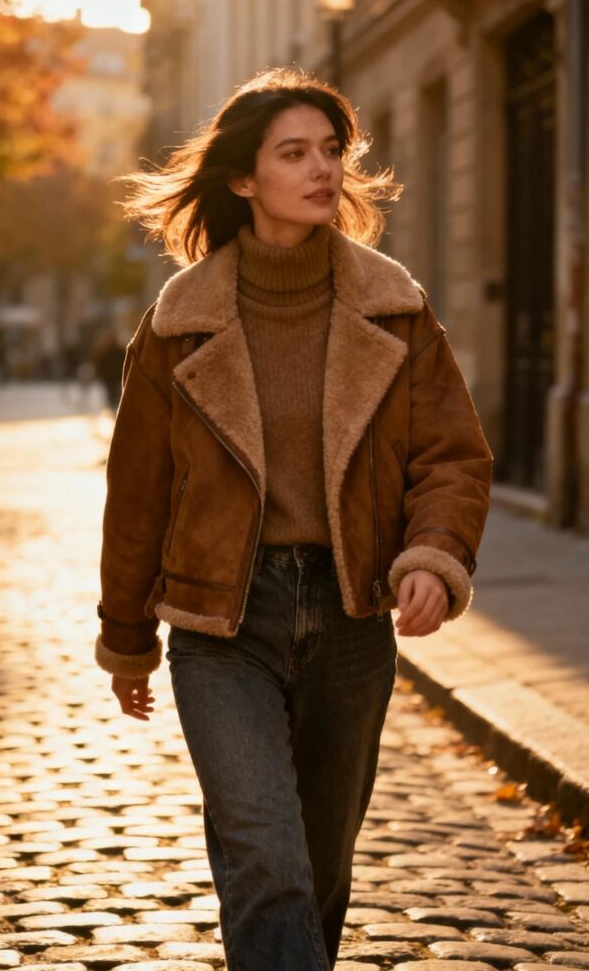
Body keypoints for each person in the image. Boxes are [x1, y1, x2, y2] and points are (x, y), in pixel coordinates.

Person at [94, 68, 492, 971]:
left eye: (331, 152)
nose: (323, 171)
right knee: (265, 858)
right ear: (243, 178)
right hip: (221, 625)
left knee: (319, 867)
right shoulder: (178, 323)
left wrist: (431, 553)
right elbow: (138, 493)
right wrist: (126, 637)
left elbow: (450, 454)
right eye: (295, 154)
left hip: (352, 618)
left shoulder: (394, 308)